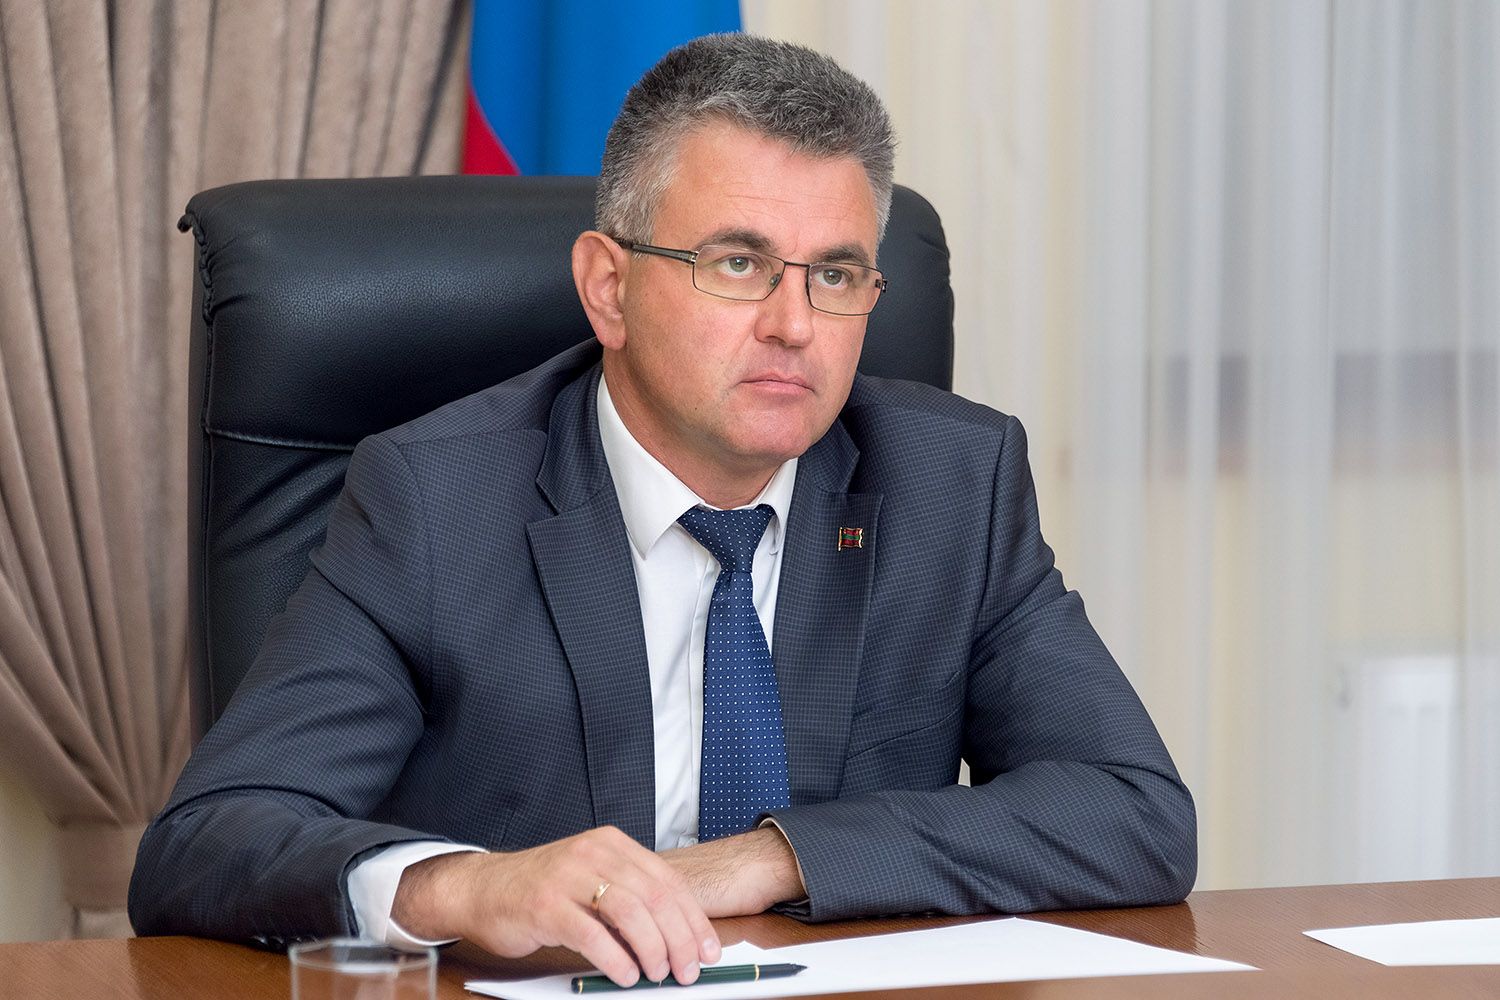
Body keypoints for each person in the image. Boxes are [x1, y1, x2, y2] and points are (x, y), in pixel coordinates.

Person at [129, 33, 1195, 989]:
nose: (794, 325)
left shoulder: (952, 484)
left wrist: (771, 859)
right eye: (737, 263)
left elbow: (1134, 811)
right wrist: (464, 887)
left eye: (835, 275)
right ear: (609, 287)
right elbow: (208, 841)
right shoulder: (436, 502)